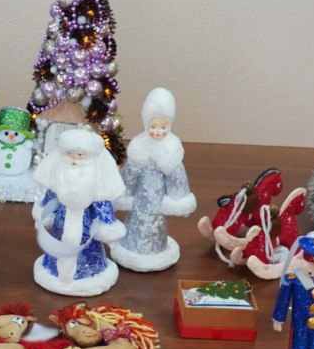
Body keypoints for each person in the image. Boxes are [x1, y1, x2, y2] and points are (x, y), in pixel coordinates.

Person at [31, 128, 126, 296]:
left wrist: (108, 225)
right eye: (69, 154)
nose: (74, 159)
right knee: (59, 243)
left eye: (80, 155)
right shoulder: (59, 177)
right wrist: (44, 214)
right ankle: (55, 271)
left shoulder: (97, 184)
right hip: (61, 222)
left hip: (87, 228)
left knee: (87, 249)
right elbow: (50, 197)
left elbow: (103, 205)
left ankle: (86, 274)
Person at [111, 88, 196, 271]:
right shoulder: (139, 147)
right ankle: (132, 245)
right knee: (138, 218)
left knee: (156, 221)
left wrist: (178, 198)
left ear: (169, 125)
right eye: (153, 127)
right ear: (145, 123)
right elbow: (129, 174)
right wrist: (124, 193)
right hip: (140, 198)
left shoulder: (171, 149)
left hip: (158, 200)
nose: (158, 132)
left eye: (163, 127)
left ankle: (156, 248)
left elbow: (177, 177)